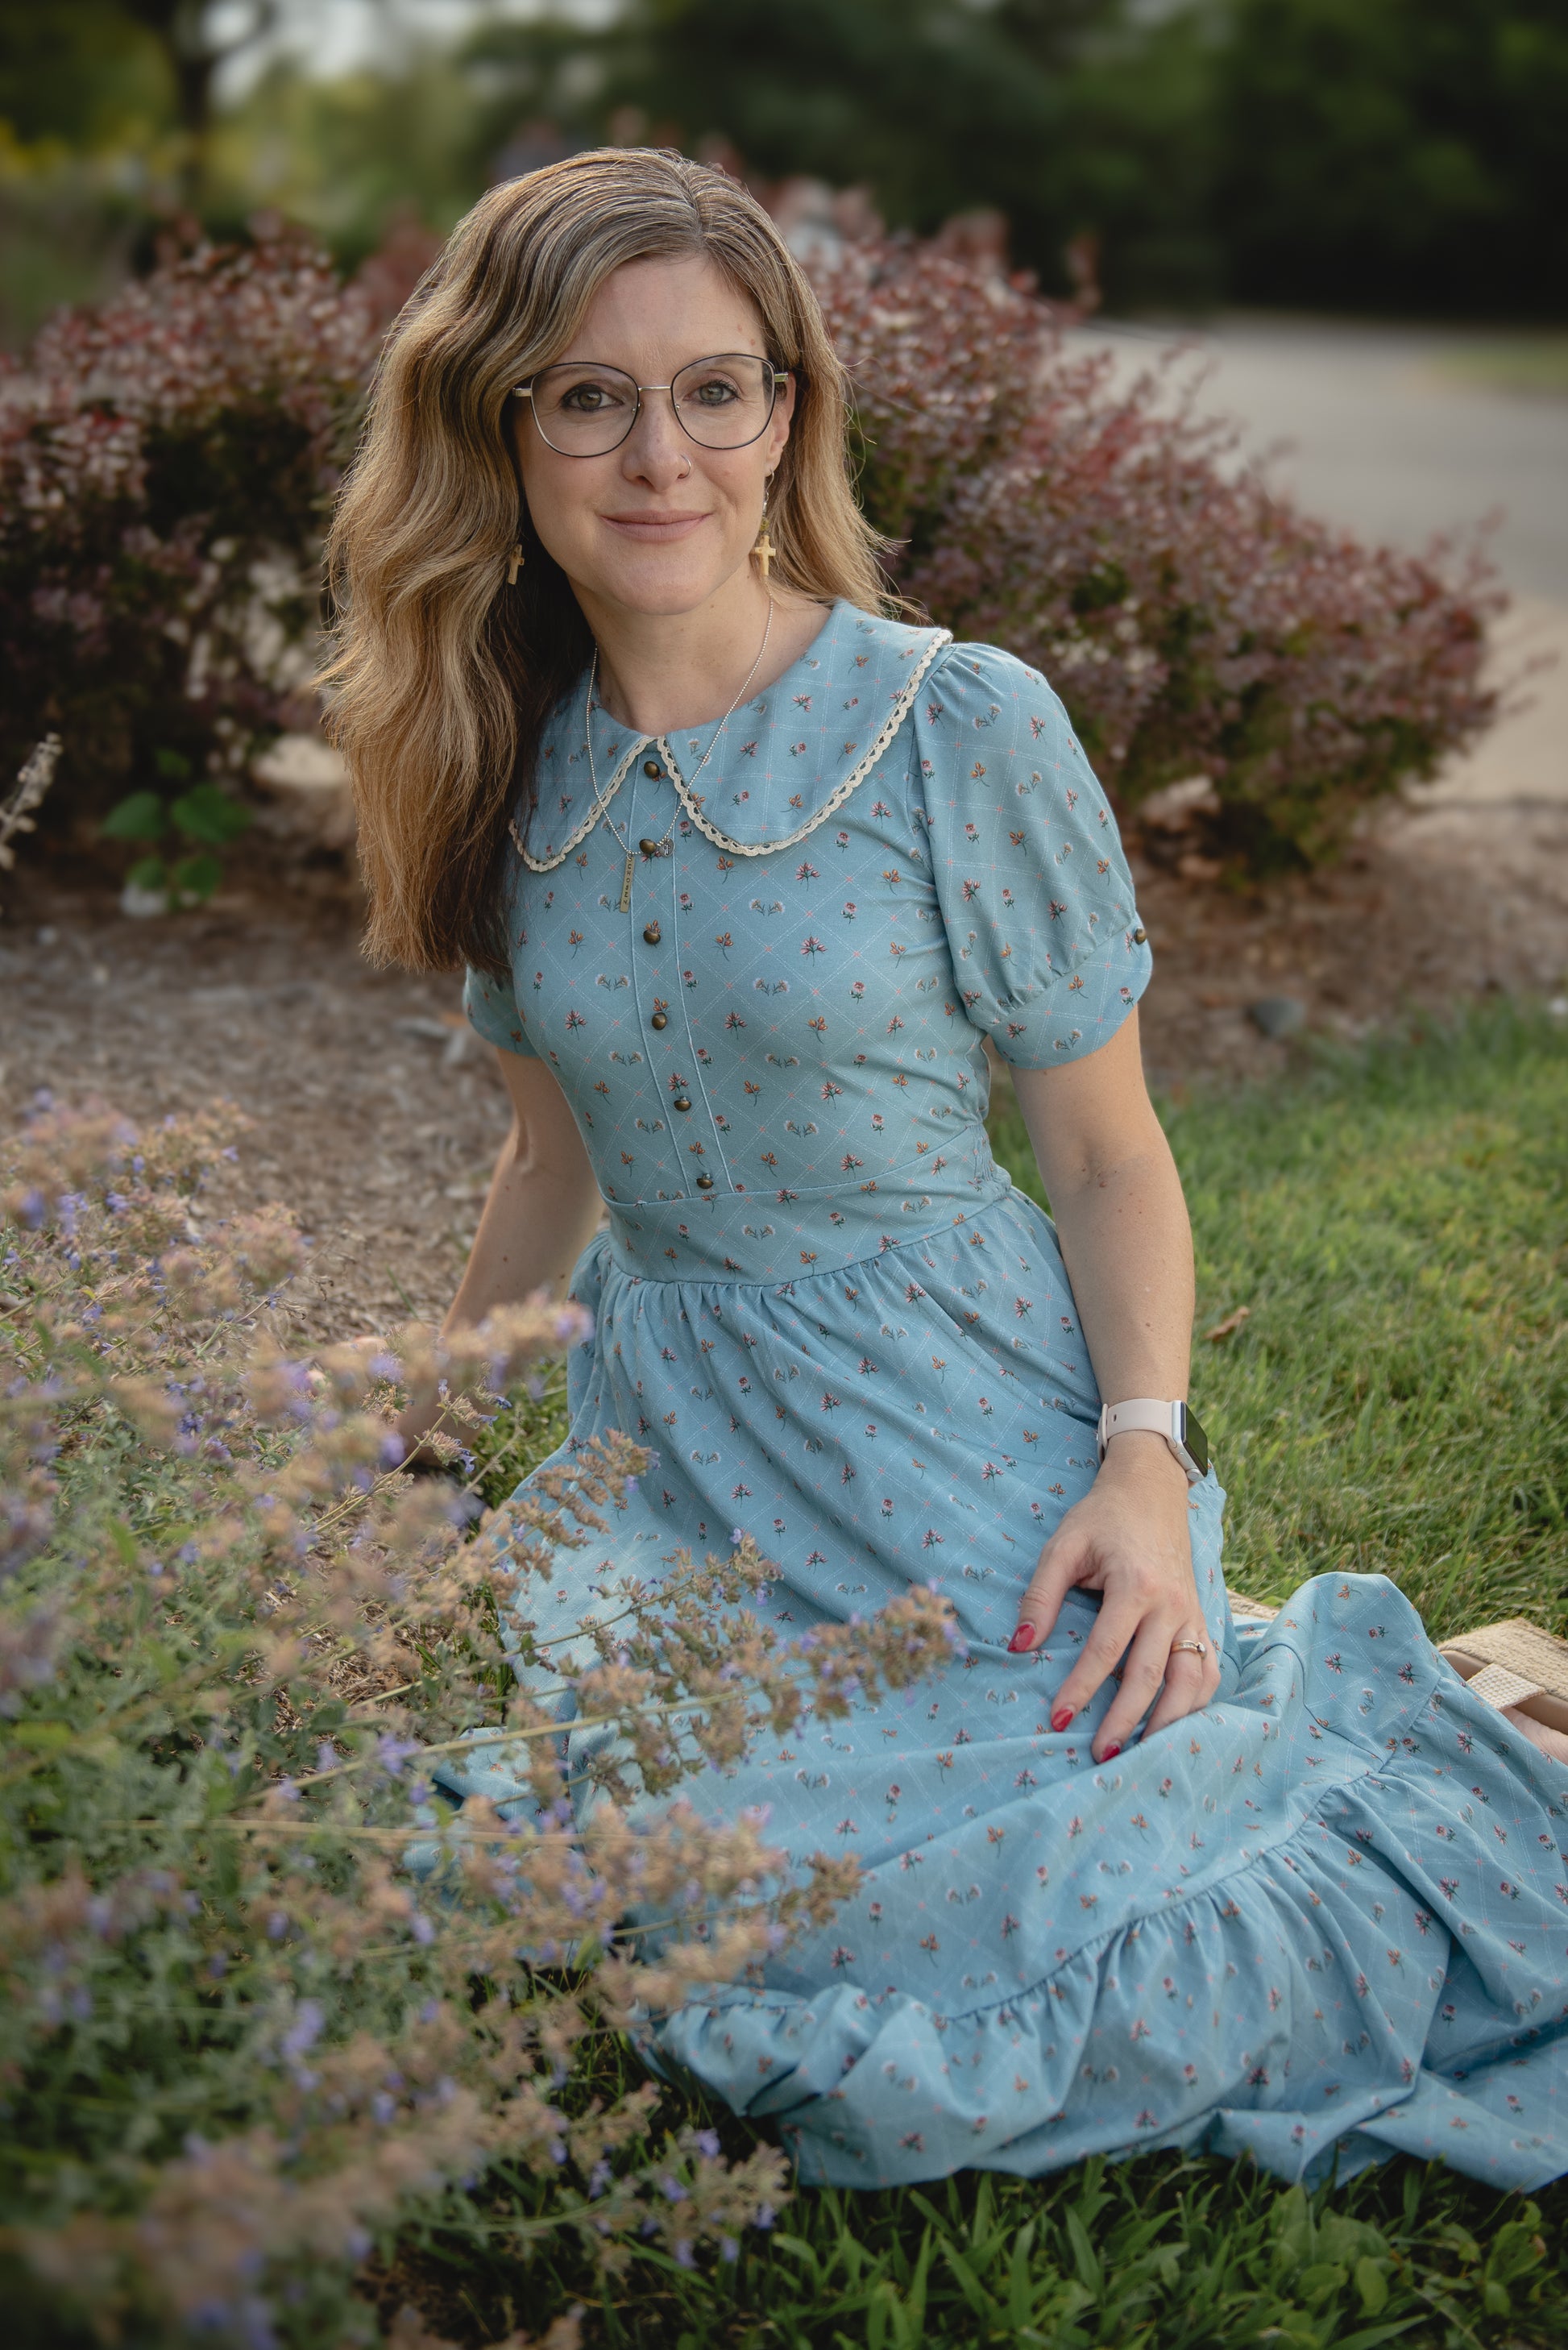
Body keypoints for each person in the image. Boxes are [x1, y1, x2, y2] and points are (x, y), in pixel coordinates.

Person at [323, 149, 1568, 2192]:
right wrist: (410, 1468)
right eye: (587, 395)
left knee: (1028, 1877)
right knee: (696, 1890)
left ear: (785, 416)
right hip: (692, 1464)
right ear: (496, 425)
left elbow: (1103, 1153)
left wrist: (1144, 1463)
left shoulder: (949, 725)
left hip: (957, 1410)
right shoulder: (487, 753)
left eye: (717, 390)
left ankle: (1433, 1753)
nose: (661, 454)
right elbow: (545, 1163)